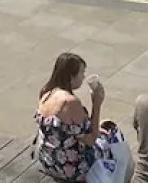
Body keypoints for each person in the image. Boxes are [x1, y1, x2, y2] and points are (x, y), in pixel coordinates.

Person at [35, 53, 104, 182]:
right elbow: (91, 140)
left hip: (48, 160)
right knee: (109, 143)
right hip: (69, 168)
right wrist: (97, 104)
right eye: (81, 73)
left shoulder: (46, 92)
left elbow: (65, 131)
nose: (83, 77)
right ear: (71, 77)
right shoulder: (70, 102)